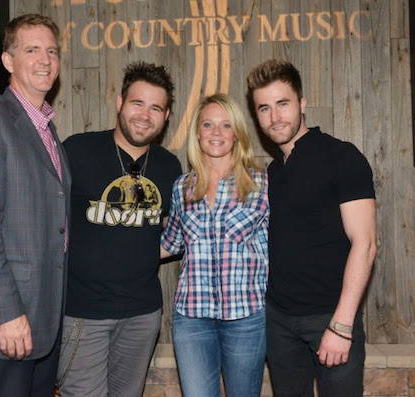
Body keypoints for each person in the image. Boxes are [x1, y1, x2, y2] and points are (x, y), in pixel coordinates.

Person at [0, 14, 70, 397]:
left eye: (51, 51)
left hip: (43, 320)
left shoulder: (48, 130)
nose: (45, 60)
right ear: (8, 61)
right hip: (10, 322)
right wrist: (5, 313)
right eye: (32, 50)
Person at [246, 59, 377, 396]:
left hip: (330, 318)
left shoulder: (342, 157)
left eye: (283, 104)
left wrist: (342, 325)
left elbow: (365, 244)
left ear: (302, 104)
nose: (275, 117)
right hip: (278, 322)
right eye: (264, 108)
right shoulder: (271, 174)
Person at [57, 61, 182, 397]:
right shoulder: (77, 150)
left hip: (142, 314)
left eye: (156, 107)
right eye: (137, 103)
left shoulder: (170, 166)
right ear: (119, 103)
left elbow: (177, 230)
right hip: (82, 313)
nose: (145, 115)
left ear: (166, 115)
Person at [160, 93, 269, 397]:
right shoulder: (182, 187)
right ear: (197, 132)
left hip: (246, 317)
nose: (216, 133)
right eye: (208, 124)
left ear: (237, 134)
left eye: (225, 125)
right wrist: (114, 246)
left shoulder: (261, 185)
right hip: (192, 318)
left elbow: (283, 249)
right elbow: (172, 243)